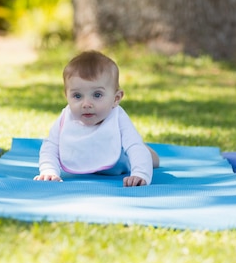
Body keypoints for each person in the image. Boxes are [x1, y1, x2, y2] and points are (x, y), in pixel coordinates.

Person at [34, 50, 159, 187]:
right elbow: (50, 146)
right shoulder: (66, 116)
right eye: (77, 96)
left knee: (147, 154)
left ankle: (149, 152)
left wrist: (140, 174)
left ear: (116, 99)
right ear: (66, 96)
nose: (86, 104)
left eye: (97, 95)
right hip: (88, 158)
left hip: (120, 161)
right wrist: (49, 170)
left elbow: (135, 147)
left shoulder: (117, 117)